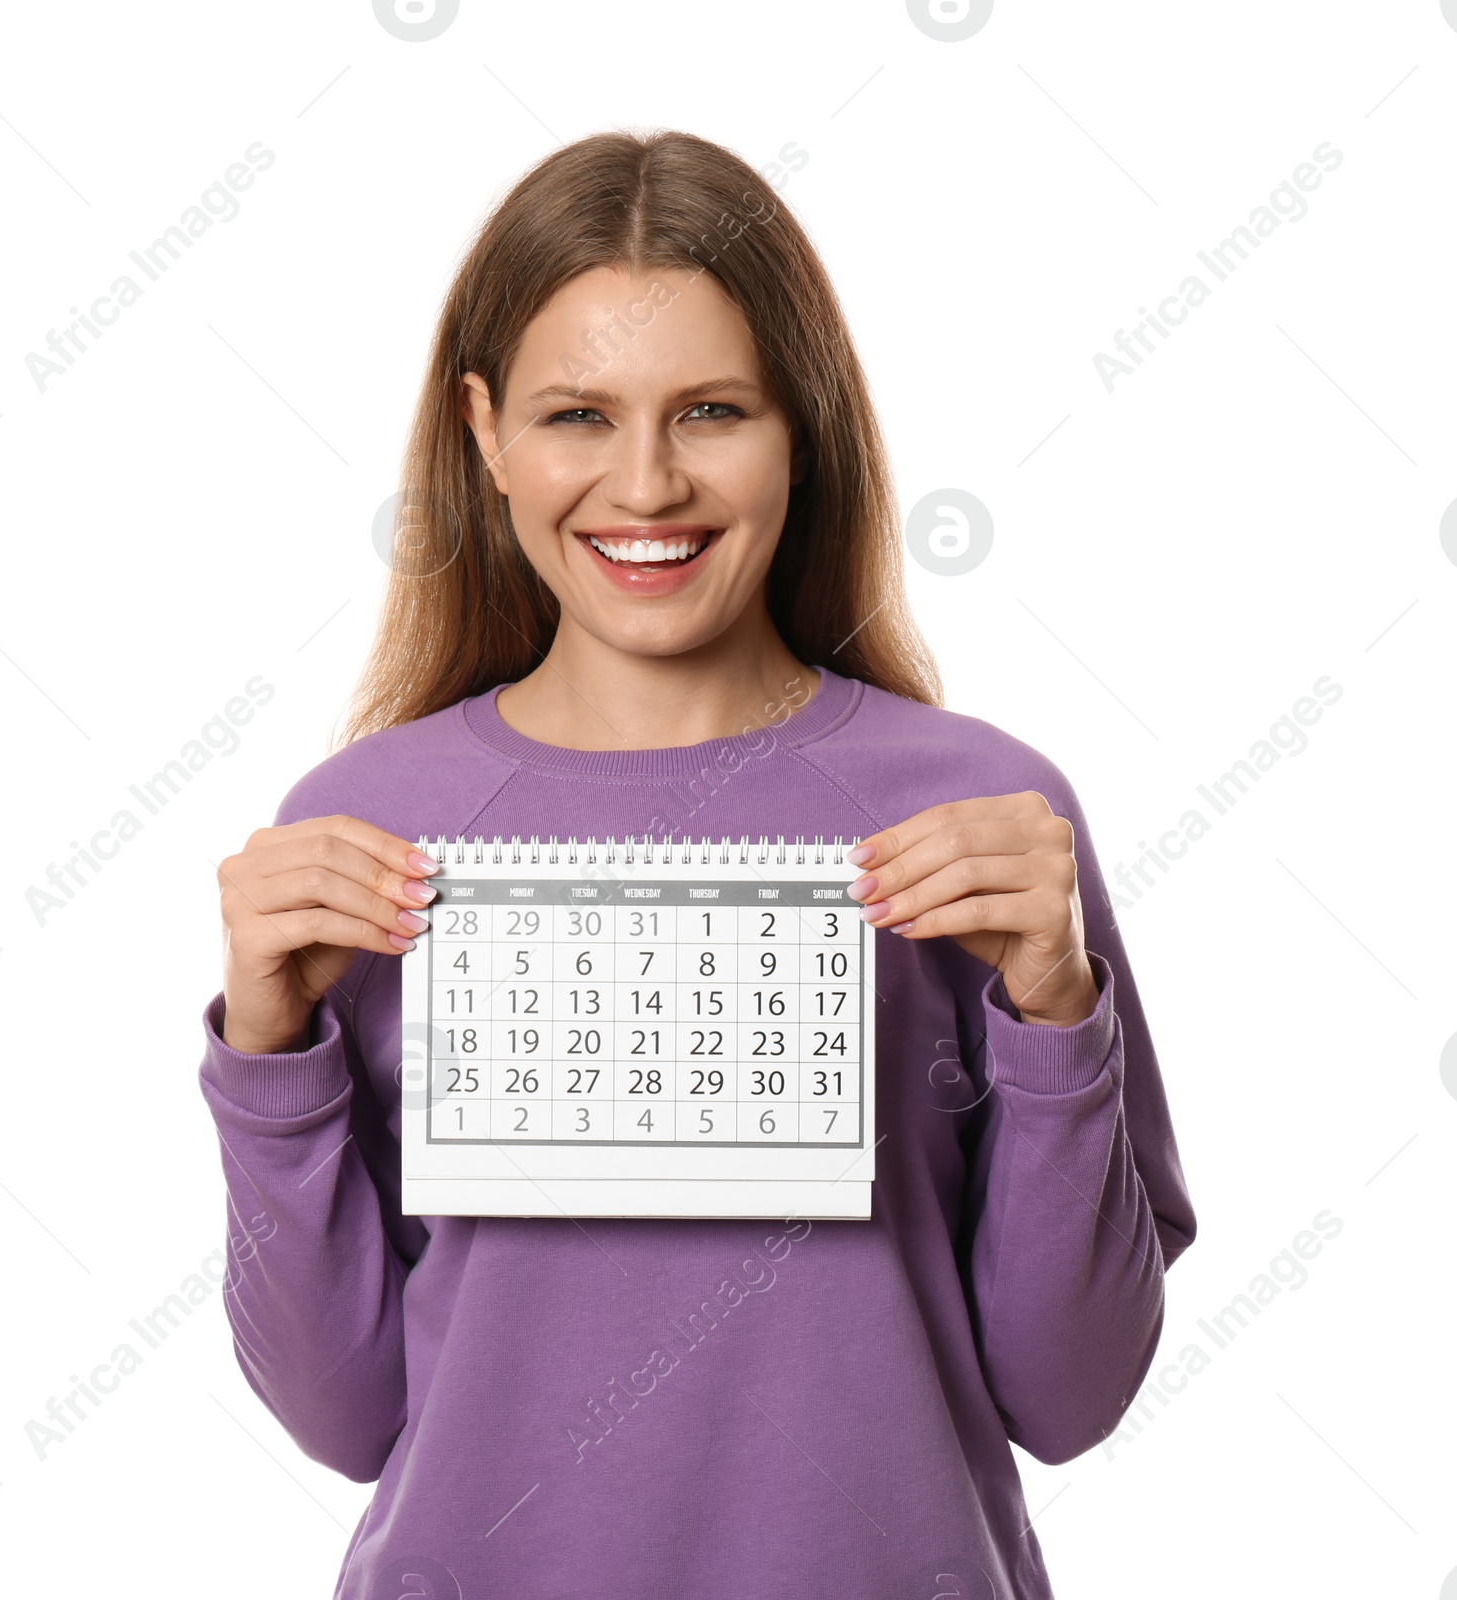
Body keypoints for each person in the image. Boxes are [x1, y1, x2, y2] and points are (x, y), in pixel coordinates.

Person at [198, 128, 1196, 1600]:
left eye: (713, 410)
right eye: (577, 415)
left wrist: (1056, 1021)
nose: (647, 483)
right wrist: (268, 1053)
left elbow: (1071, 1396)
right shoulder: (364, 828)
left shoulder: (988, 814)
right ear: (485, 433)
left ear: (802, 426)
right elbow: (344, 1418)